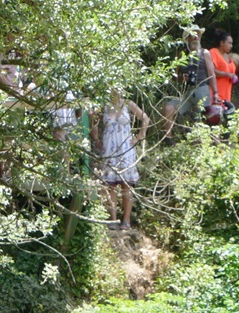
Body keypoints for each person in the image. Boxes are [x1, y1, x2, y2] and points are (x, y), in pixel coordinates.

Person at [91, 93, 149, 230]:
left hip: (126, 148)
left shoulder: (128, 103)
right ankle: (113, 220)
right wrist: (96, 138)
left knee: (126, 185)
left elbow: (145, 118)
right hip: (109, 148)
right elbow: (94, 120)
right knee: (110, 185)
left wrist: (139, 137)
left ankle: (126, 220)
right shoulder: (103, 105)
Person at [160, 29, 212, 138]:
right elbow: (174, 76)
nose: (196, 37)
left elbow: (212, 75)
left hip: (202, 89)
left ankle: (210, 144)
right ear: (187, 38)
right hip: (187, 92)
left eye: (198, 35)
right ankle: (168, 139)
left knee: (204, 119)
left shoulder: (205, 53)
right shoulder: (182, 54)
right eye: (193, 35)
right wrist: (182, 78)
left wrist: (215, 93)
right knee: (168, 108)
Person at [205, 30, 237, 125]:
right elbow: (211, 70)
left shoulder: (229, 57)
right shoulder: (213, 52)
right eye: (229, 43)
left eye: (232, 43)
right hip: (215, 92)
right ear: (221, 43)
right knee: (213, 118)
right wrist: (227, 74)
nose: (231, 46)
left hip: (226, 93)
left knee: (222, 120)